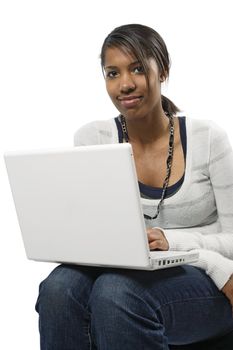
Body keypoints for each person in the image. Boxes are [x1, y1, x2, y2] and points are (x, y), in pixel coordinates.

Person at [35, 24, 233, 349]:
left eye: (138, 69)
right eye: (112, 73)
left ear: (163, 70)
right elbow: (91, 231)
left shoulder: (207, 138)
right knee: (60, 290)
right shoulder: (93, 140)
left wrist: (173, 243)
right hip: (128, 271)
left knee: (116, 293)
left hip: (207, 279)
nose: (125, 84)